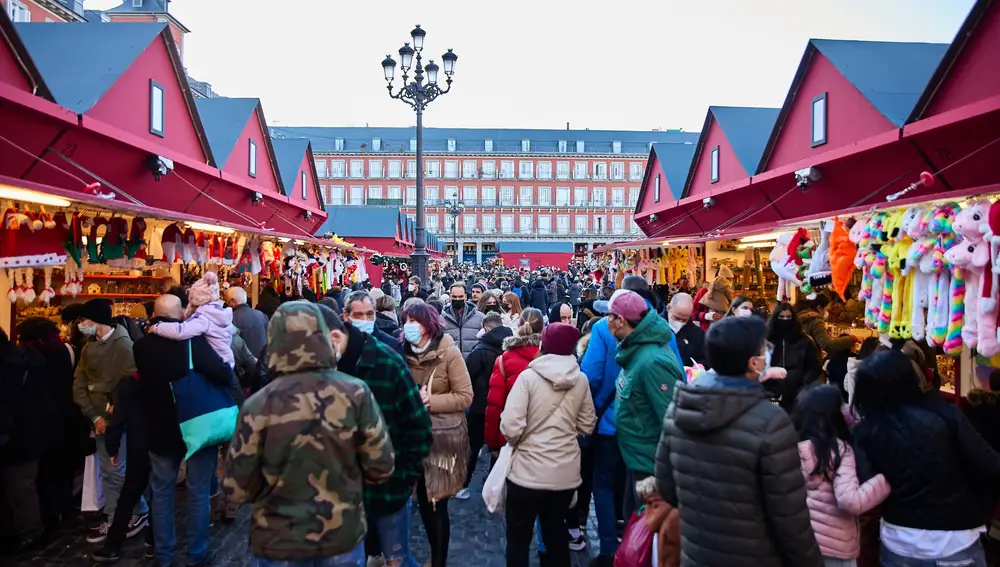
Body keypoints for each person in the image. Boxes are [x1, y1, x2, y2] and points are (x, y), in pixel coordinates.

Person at [224, 301, 395, 567]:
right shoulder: (355, 393)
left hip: (278, 537)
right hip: (341, 531)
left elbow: (237, 486)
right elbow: (381, 466)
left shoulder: (258, 405)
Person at [655, 316, 823, 566]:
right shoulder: (771, 421)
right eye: (764, 350)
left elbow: (666, 485)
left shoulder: (680, 408)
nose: (767, 355)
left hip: (698, 552)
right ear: (753, 362)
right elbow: (789, 516)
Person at [852, 351, 1000, 567]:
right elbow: (990, 465)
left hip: (899, 538)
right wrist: (979, 510)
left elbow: (867, 491)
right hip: (955, 539)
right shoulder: (946, 416)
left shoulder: (864, 432)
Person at [318, 304, 431, 567]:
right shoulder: (317, 369)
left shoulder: (388, 362)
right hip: (336, 497)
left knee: (397, 559)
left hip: (387, 491)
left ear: (333, 337)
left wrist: (403, 479)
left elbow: (419, 429)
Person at [134, 293, 234, 566]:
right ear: (181, 316)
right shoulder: (193, 343)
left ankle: (164, 555)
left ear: (153, 316)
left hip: (160, 429)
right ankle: (196, 555)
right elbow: (224, 374)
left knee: (162, 493)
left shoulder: (141, 346)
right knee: (198, 492)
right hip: (197, 426)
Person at [501, 323, 596, 567]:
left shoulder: (528, 377)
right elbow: (587, 425)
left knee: (518, 538)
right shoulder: (581, 380)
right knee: (556, 532)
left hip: (526, 473)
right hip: (564, 473)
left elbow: (510, 426)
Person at [400, 302, 473, 567]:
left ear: (429, 325)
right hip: (409, 437)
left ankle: (438, 560)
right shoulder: (401, 353)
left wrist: (432, 402)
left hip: (442, 438)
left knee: (434, 503)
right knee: (408, 502)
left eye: (414, 321)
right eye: (406, 320)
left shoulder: (449, 354)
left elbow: (465, 396)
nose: (409, 326)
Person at [72, 298, 149, 543]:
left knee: (114, 471)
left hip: (116, 422)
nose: (81, 324)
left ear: (96, 321)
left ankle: (121, 517)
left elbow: (131, 384)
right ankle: (131, 512)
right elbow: (79, 383)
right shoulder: (88, 346)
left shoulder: (123, 346)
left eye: (84, 320)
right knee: (112, 471)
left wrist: (108, 414)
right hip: (99, 420)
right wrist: (93, 415)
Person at [606, 290, 685, 521]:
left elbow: (672, 420)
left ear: (621, 321)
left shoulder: (652, 361)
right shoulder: (637, 351)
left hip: (651, 468)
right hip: (637, 460)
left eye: (609, 316)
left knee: (647, 535)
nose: (606, 322)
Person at [794, 385, 889, 567]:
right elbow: (850, 500)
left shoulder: (792, 447)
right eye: (841, 406)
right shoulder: (838, 450)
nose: (846, 409)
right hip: (836, 546)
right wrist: (885, 480)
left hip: (803, 542)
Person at [15, 317, 85, 532]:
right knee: (60, 470)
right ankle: (62, 511)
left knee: (44, 473)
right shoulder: (63, 351)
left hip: (39, 422)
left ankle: (48, 516)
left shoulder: (28, 357)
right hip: (65, 416)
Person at [0, 327, 51, 550]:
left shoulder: (7, 367)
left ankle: (29, 532)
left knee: (19, 486)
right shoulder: (29, 359)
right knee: (22, 485)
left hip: (13, 434)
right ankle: (28, 530)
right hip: (33, 431)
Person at [459, 312, 512, 500]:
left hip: (480, 405)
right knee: (498, 447)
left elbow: (466, 375)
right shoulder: (509, 348)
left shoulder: (480, 350)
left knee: (472, 446)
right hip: (504, 405)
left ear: (487, 329)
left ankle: (463, 484)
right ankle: (494, 484)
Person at [485, 308, 545, 451]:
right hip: (542, 438)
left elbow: (495, 405)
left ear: (518, 327)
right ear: (542, 330)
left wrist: (492, 443)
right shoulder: (550, 358)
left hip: (508, 438)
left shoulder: (504, 360)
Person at [149, 271, 234, 368]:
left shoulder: (204, 317)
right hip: (227, 360)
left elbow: (181, 331)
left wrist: (157, 327)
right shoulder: (219, 314)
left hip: (216, 364)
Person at [766, 303, 823, 412]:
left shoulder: (804, 340)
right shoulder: (766, 340)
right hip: (771, 395)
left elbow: (814, 365)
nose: (785, 320)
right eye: (782, 317)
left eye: (788, 317)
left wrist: (804, 384)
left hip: (797, 394)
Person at [441, 283, 484, 359]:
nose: (457, 299)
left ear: (466, 297)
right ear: (450, 296)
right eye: (454, 297)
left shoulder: (480, 317)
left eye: (460, 296)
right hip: (451, 364)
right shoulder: (441, 319)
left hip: (473, 364)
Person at [225, 287, 268, 358]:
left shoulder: (230, 318)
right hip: (262, 363)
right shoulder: (262, 315)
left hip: (244, 364)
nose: (226, 305)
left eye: (227, 301)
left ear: (233, 302)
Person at [665, 293, 706, 367]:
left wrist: (701, 364)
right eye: (676, 318)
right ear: (668, 308)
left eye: (684, 320)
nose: (679, 323)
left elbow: (704, 357)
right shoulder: (654, 329)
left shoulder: (698, 334)